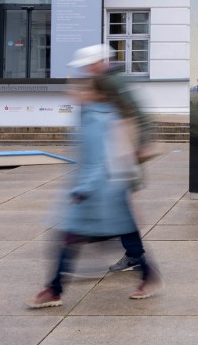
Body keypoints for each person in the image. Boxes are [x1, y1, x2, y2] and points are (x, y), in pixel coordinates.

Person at [27, 48, 161, 308]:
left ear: (94, 92)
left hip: (101, 190)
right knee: (120, 232)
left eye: (80, 88)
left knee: (73, 238)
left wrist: (82, 190)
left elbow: (103, 156)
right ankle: (146, 274)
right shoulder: (91, 113)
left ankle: (54, 289)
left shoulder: (102, 110)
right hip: (104, 188)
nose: (73, 92)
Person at [70, 44, 160, 273]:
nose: (87, 70)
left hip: (118, 155)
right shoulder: (104, 81)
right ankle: (123, 249)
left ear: (100, 62)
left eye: (89, 65)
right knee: (113, 204)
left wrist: (141, 146)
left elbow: (136, 113)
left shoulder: (112, 82)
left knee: (117, 206)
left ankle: (132, 255)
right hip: (110, 155)